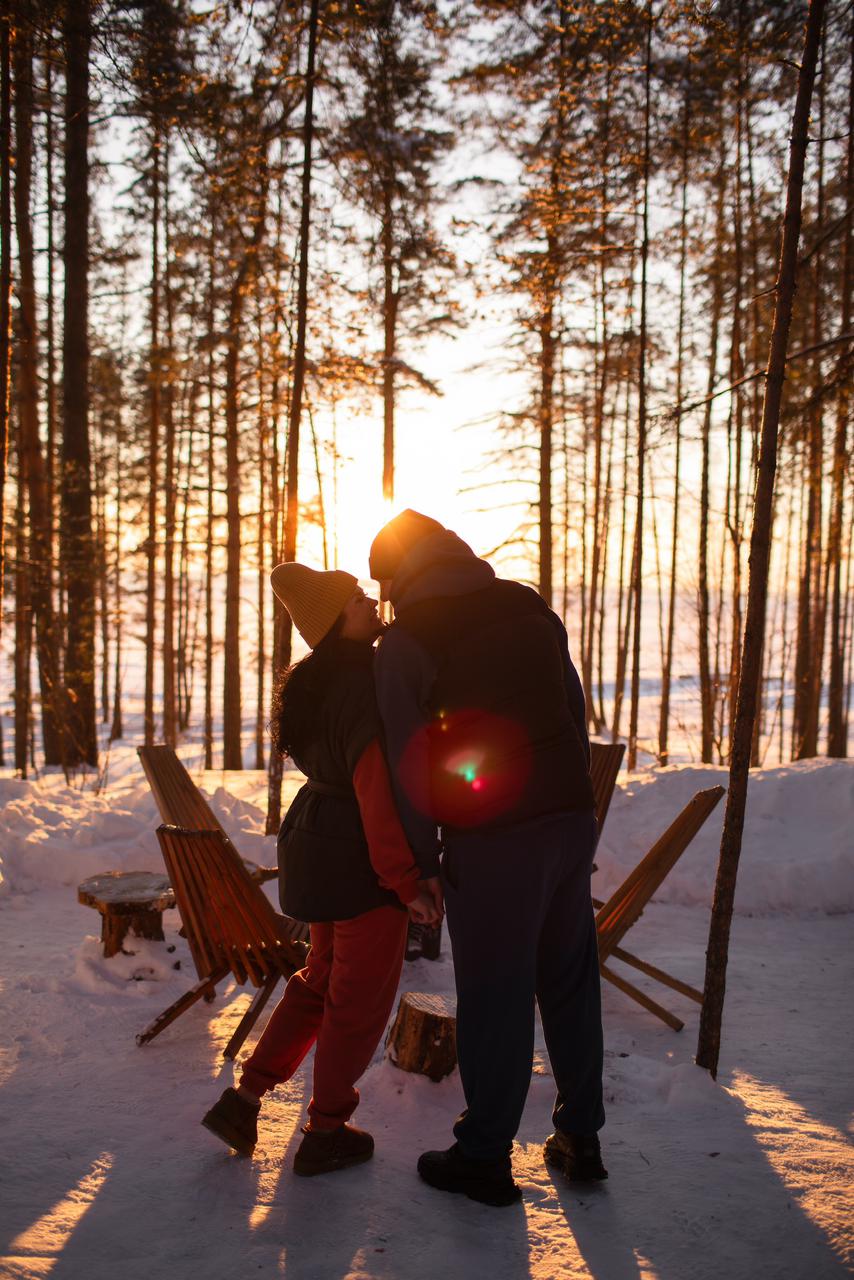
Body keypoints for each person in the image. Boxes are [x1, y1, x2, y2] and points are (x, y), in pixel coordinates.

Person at [369, 510, 606, 1207]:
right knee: (568, 976)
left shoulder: (408, 638)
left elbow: (406, 756)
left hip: (497, 834)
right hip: (569, 812)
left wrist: (422, 862)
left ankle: (484, 1156)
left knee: (496, 992)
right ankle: (580, 1138)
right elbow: (571, 706)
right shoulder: (527, 602)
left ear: (395, 577)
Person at [202, 562, 441, 1177]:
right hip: (356, 854)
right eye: (358, 600)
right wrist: (406, 882)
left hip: (315, 840)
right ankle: (327, 1130)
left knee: (320, 980)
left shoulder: (312, 681)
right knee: (357, 1003)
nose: (369, 602)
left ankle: (246, 1096)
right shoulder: (363, 685)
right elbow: (374, 791)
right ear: (336, 621)